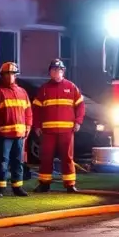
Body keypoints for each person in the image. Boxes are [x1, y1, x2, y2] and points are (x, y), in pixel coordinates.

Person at [32, 59, 85, 193]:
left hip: (66, 130)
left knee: (67, 157)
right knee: (46, 157)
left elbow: (80, 106)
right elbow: (36, 109)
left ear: (63, 71)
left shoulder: (71, 87)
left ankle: (70, 184)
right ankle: (44, 183)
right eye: (53, 70)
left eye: (58, 70)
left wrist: (78, 121)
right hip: (48, 131)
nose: (56, 72)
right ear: (50, 72)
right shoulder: (44, 89)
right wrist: (37, 126)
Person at [0, 62, 32, 198]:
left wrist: (28, 126)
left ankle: (17, 187)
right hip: (4, 134)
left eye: (12, 74)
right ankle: (0, 188)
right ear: (2, 75)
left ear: (16, 75)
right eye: (7, 74)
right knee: (2, 161)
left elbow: (28, 112)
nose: (10, 77)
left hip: (20, 134)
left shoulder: (22, 92)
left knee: (18, 161)